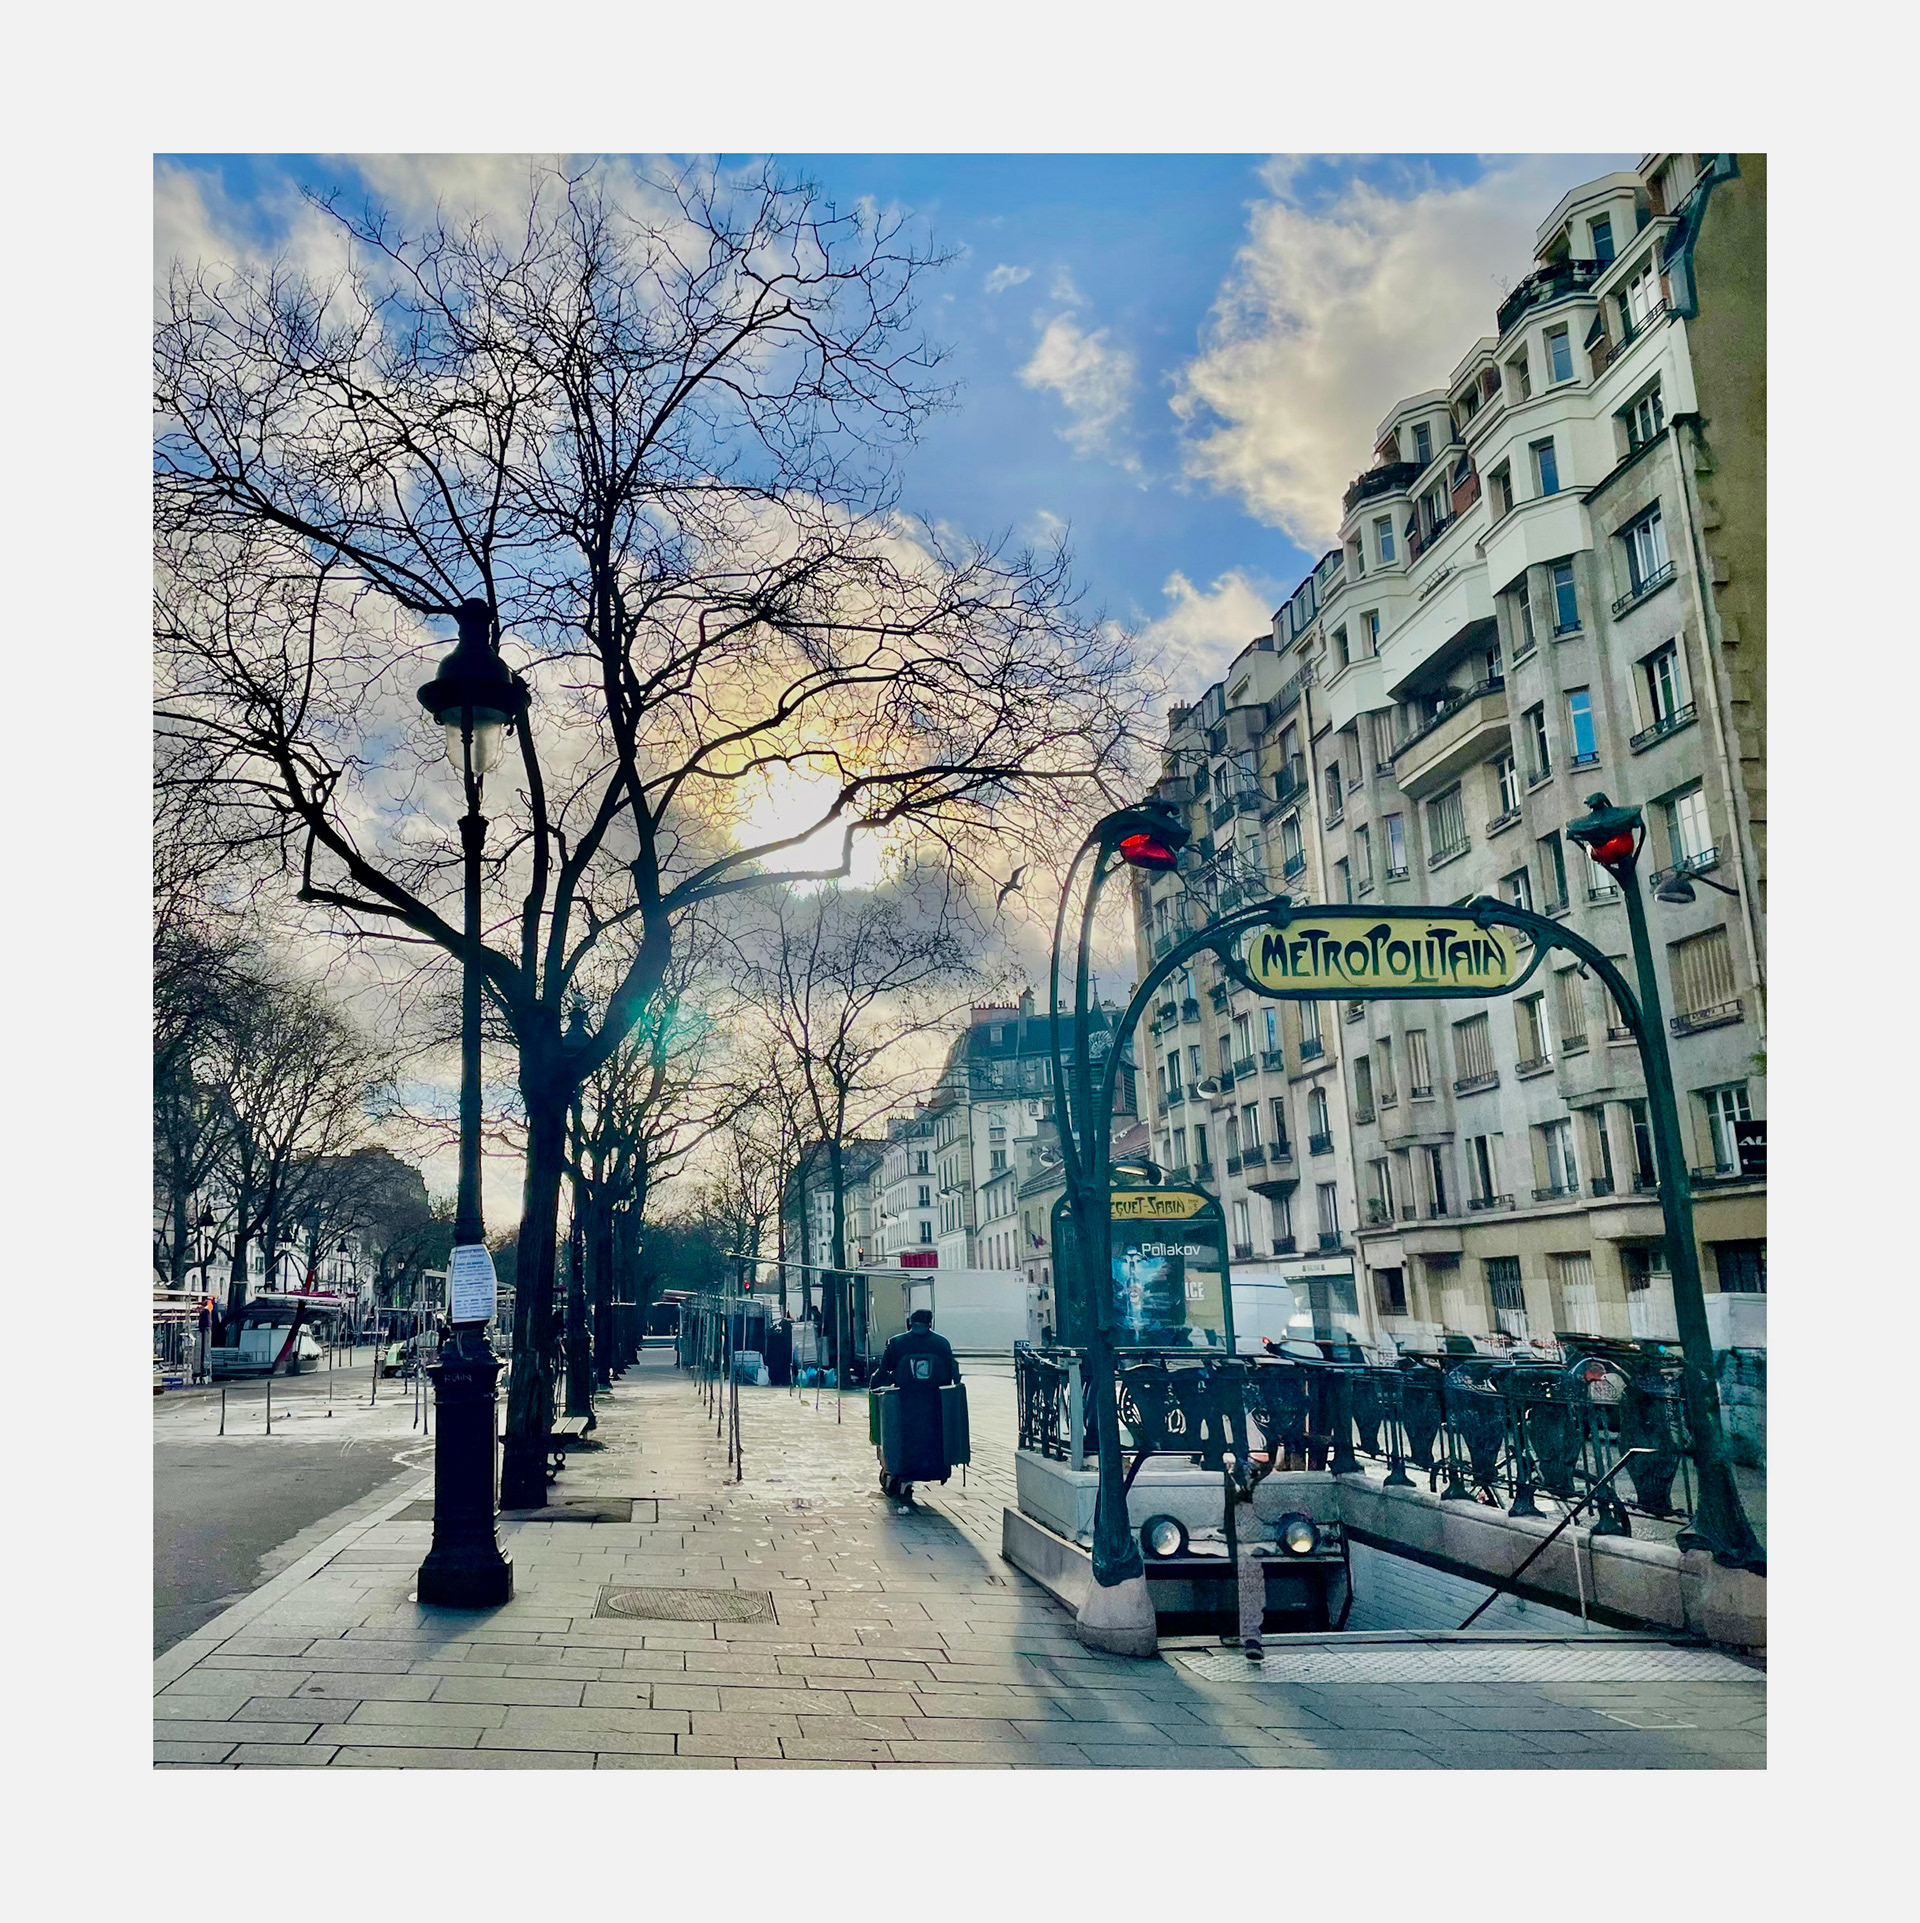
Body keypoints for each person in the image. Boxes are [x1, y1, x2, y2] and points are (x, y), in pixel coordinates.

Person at [869, 1308, 960, 1495]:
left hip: (904, 1405)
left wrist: (874, 1386)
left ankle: (899, 1473)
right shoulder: (942, 1344)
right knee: (932, 1440)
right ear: (930, 1322)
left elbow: (883, 1372)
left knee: (901, 1439)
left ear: (910, 1322)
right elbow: (953, 1375)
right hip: (935, 1406)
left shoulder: (896, 1343)